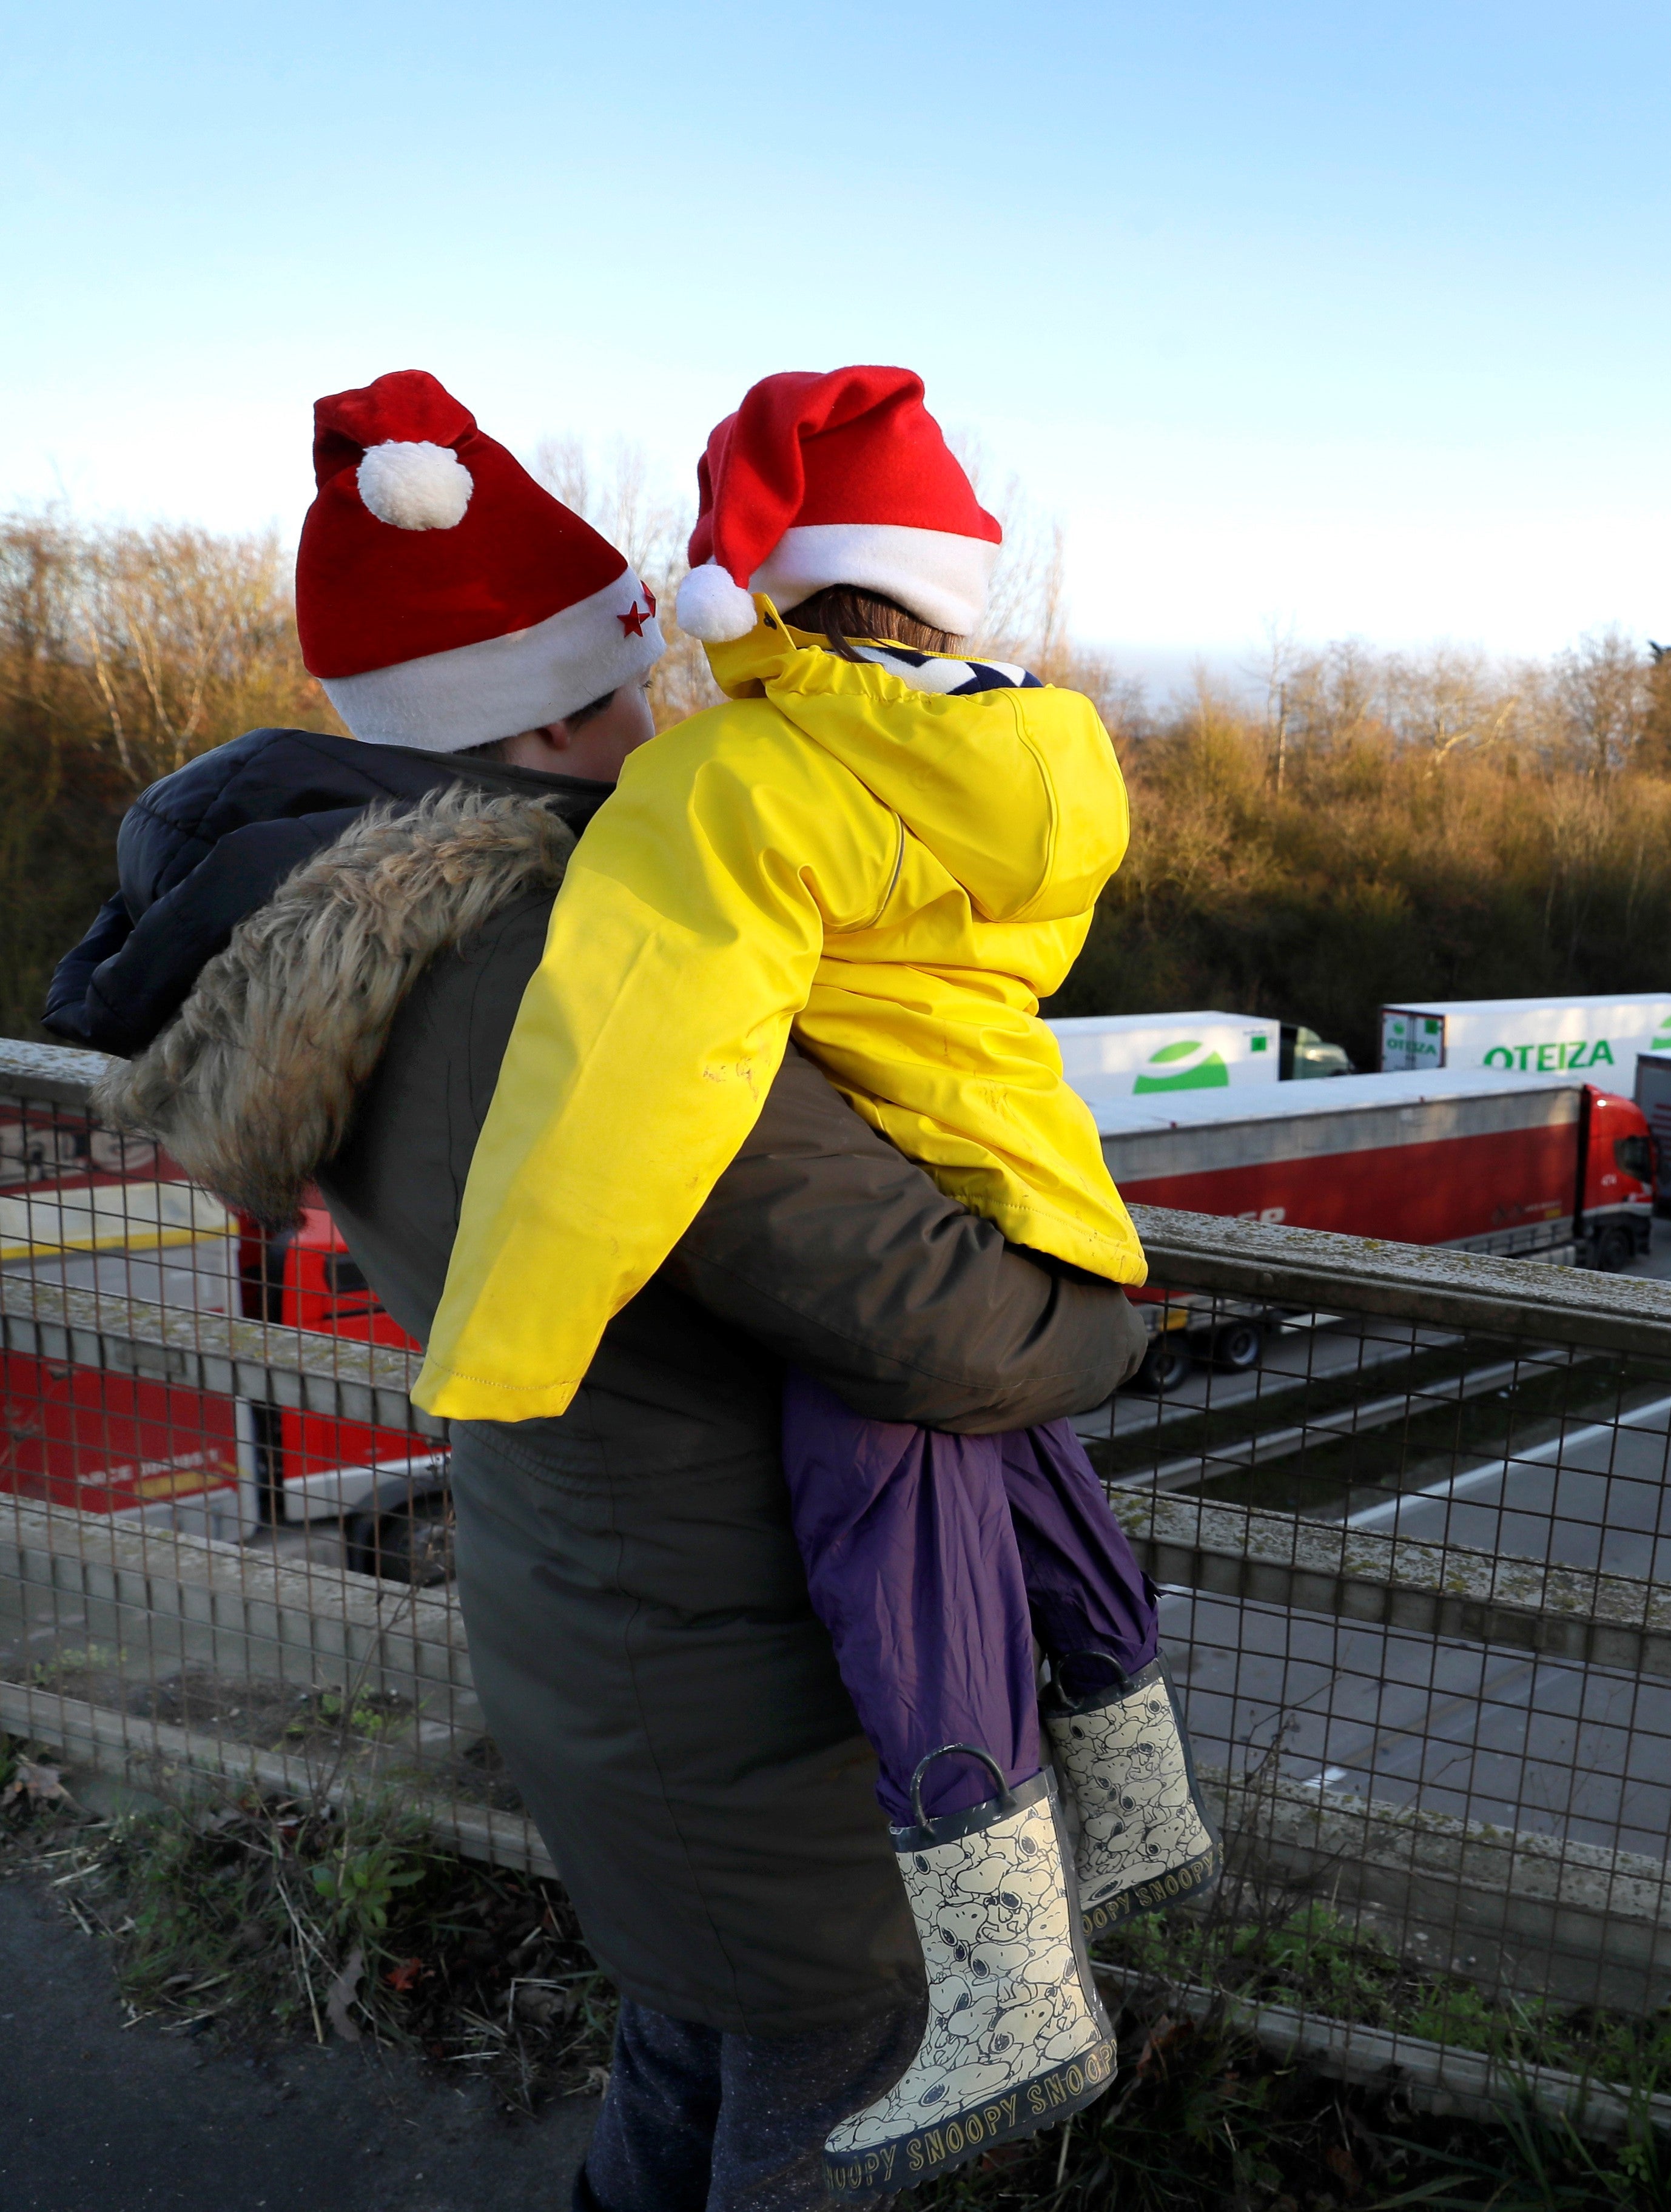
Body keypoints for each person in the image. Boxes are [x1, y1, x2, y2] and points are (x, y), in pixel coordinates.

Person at [53, 370, 1149, 2210]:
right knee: (819, 2092)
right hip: (752, 1671)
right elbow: (932, 1317)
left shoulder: (333, 915)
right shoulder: (568, 964)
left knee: (691, 2049)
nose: (663, 721)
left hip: (602, 1607)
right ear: (552, 717)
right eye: (633, 688)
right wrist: (1105, 1317)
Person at [400, 366, 1219, 2192]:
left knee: (895, 1531)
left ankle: (1018, 1986)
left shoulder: (733, 779)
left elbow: (638, 1065)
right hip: (1015, 1164)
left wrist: (503, 1335)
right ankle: (1142, 1793)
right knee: (1019, 1484)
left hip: (899, 1225)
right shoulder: (1032, 749)